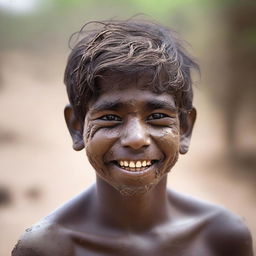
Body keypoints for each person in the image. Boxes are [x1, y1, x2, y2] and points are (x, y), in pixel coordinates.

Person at [12, 19, 253, 256]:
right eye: (110, 117)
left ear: (185, 128)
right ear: (77, 127)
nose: (136, 139)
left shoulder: (222, 238)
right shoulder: (46, 248)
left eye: (157, 116)